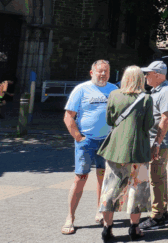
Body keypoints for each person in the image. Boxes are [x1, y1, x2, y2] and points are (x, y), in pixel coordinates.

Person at [97, 66, 154, 241]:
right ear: (140, 80)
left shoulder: (114, 95)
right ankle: (134, 229)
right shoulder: (146, 99)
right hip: (138, 149)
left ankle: (107, 229)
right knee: (137, 189)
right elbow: (148, 125)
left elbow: (109, 119)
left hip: (115, 149)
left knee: (110, 189)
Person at [62, 60, 118, 235]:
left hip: (107, 142)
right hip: (87, 142)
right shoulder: (81, 89)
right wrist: (79, 137)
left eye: (106, 72)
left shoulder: (114, 90)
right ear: (91, 72)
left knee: (104, 178)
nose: (103, 74)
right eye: (100, 71)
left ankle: (101, 211)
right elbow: (68, 116)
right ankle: (70, 217)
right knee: (80, 178)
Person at [138, 61, 168, 231]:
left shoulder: (166, 92)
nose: (145, 76)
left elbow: (165, 119)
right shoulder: (158, 91)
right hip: (156, 141)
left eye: (148, 73)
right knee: (158, 177)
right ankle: (162, 211)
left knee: (156, 178)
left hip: (160, 143)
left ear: (158, 75)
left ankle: (157, 216)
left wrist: (157, 143)